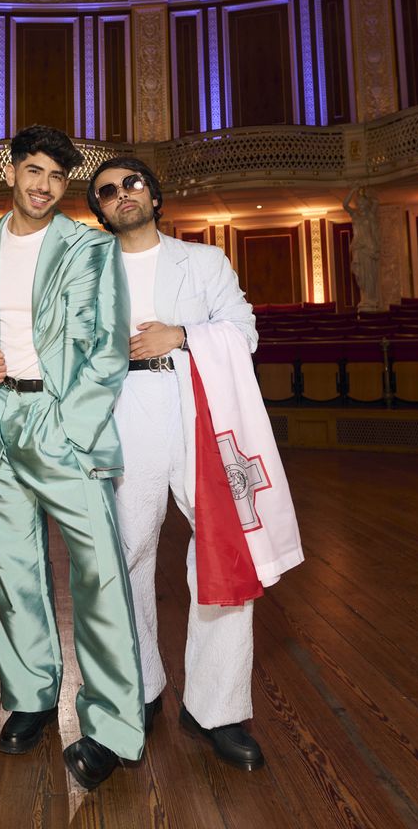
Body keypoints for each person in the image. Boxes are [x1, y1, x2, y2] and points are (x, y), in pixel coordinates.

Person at [87, 157, 303, 772]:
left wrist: (180, 335)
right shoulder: (89, 267)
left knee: (222, 554)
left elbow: (244, 331)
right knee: (124, 555)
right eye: (106, 191)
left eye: (132, 184)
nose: (121, 195)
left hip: (197, 410)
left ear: (154, 196)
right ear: (98, 210)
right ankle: (141, 689)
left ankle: (218, 709)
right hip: (121, 416)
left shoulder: (203, 261)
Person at [0, 125, 145, 790]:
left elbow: (106, 349)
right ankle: (32, 698)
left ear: (64, 184)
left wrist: (71, 430)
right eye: (32, 171)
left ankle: (114, 726)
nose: (42, 186)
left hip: (61, 422)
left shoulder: (89, 247)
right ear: (12, 171)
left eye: (55, 177)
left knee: (98, 574)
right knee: (15, 573)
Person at [343, 187, 380, 310]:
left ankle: (371, 300)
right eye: (358, 203)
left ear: (366, 204)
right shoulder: (355, 215)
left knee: (370, 275)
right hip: (359, 248)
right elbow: (345, 204)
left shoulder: (371, 214)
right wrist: (353, 191)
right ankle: (365, 300)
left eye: (362, 203)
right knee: (361, 275)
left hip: (369, 248)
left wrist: (365, 193)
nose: (360, 205)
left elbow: (376, 201)